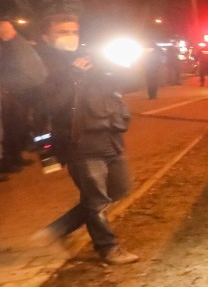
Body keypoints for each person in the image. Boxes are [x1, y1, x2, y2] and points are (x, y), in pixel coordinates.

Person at [32, 14, 139, 264]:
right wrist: (71, 76)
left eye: (74, 31)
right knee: (97, 200)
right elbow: (47, 105)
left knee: (119, 189)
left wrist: (121, 66)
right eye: (62, 32)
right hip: (78, 143)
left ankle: (57, 230)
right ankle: (108, 248)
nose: (70, 36)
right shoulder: (42, 66)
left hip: (108, 136)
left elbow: (123, 85)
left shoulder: (90, 58)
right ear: (46, 37)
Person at [0, 16, 47, 175]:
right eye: (6, 29)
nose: (11, 32)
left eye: (11, 28)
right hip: (6, 90)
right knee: (6, 129)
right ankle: (6, 160)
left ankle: (15, 156)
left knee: (16, 126)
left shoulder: (13, 43)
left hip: (17, 90)